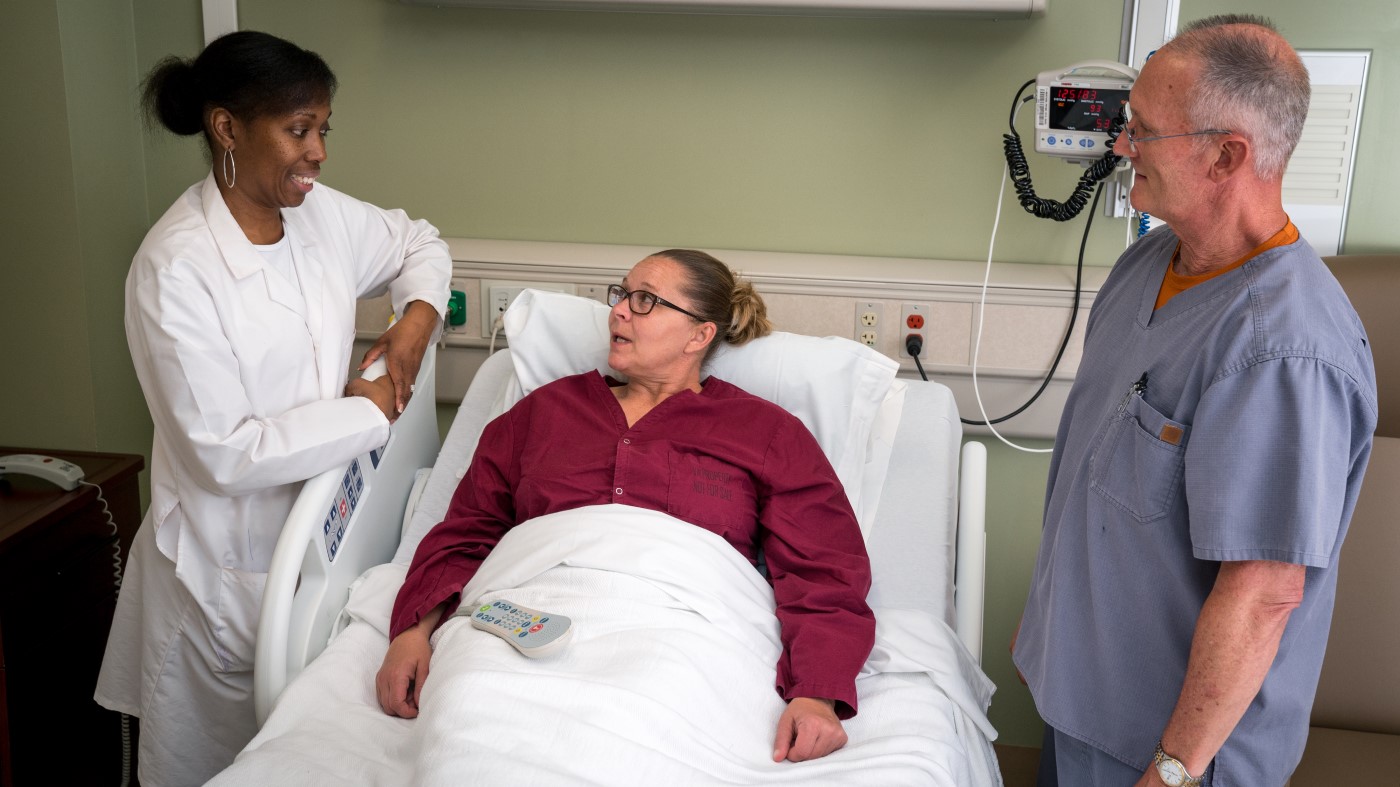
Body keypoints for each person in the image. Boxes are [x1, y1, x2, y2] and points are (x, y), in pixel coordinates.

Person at [1012, 15, 1377, 787]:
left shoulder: (1286, 351)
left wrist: (1173, 771)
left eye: (1142, 131)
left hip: (1170, 751)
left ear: (1226, 155)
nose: (1120, 147)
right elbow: (1094, 472)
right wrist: (1049, 629)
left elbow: (1263, 593)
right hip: (1081, 704)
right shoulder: (1147, 262)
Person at [94, 30, 452, 786]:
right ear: (226, 128)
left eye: (323, 129)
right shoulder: (176, 270)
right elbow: (224, 451)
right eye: (298, 131)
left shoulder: (317, 217)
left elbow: (417, 240)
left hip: (312, 550)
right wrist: (369, 411)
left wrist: (416, 317)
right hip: (227, 576)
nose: (318, 152)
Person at [376, 249, 876, 764]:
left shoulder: (767, 432)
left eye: (645, 301)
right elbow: (468, 529)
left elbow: (824, 571)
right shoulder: (544, 411)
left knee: (644, 724)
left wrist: (815, 692)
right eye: (621, 295)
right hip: (522, 620)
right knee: (470, 710)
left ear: (699, 335)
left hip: (680, 634)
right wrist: (412, 633)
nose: (618, 310)